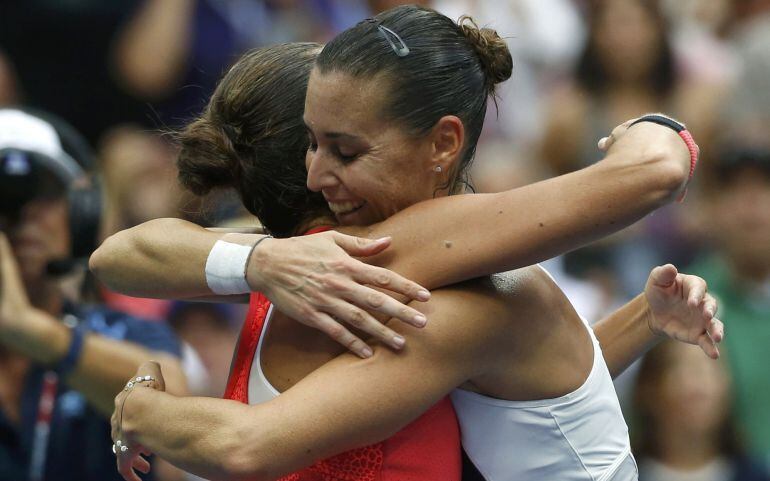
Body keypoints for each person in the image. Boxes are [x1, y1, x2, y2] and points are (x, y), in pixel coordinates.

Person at [95, 8, 718, 481]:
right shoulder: (321, 259)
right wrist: (258, 259)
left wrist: (139, 413)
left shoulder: (422, 284)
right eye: (312, 143)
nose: (317, 172)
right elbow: (533, 399)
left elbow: (245, 444)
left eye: (345, 150)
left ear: (444, 145)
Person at [0, 108, 187, 481]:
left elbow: (173, 405)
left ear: (81, 212)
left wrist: (29, 329)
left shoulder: (125, 332)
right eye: (3, 197)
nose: (24, 216)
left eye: (44, 194)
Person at [688, 139, 770, 467]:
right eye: (733, 189)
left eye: (766, 187)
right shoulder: (688, 302)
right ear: (710, 208)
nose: (751, 203)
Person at [632, 341, 770, 481]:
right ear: (649, 389)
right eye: (682, 366)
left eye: (711, 366)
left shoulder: (755, 475)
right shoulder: (623, 472)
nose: (700, 382)